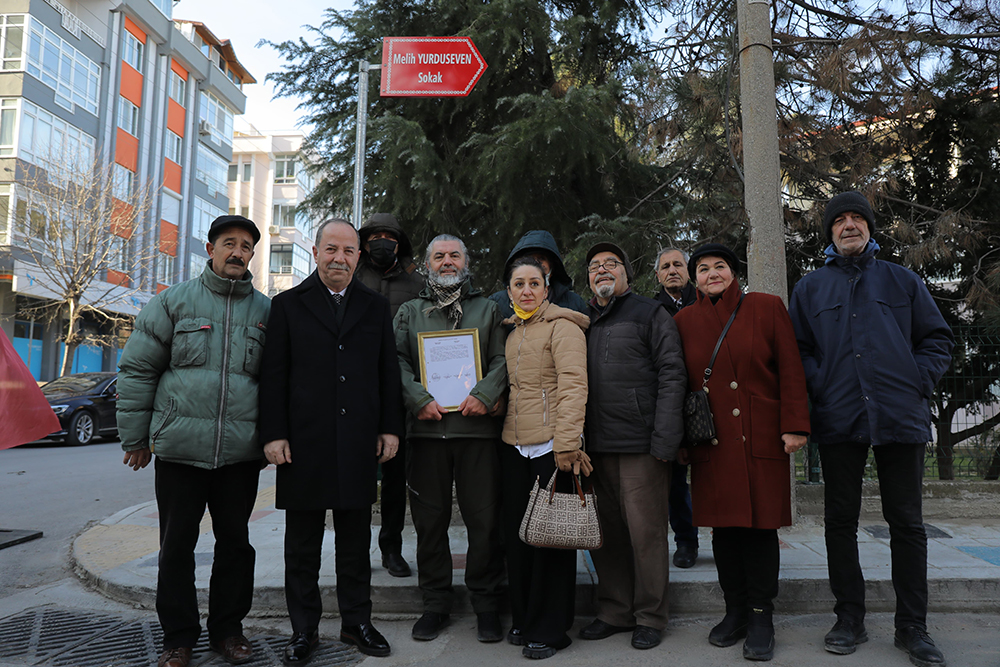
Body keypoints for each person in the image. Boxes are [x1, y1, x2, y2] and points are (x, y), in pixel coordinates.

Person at [789, 191, 954, 667]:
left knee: (907, 524)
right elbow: (798, 350)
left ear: (869, 227)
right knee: (840, 522)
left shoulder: (903, 280)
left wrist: (916, 380)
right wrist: (821, 384)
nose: (849, 225)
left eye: (857, 218)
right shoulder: (810, 289)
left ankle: (912, 627)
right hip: (839, 417)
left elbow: (937, 338)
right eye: (839, 220)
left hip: (899, 416)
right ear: (829, 232)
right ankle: (849, 618)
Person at [117, 215, 270, 667]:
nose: (237, 252)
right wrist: (135, 438)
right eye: (229, 243)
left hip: (240, 454)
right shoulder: (173, 302)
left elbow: (279, 381)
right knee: (176, 548)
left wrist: (273, 439)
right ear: (210, 249)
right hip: (180, 450)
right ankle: (178, 638)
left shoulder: (266, 313)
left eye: (246, 246)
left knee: (235, 547)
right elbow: (138, 369)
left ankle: (229, 631)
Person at [259, 219, 403, 661]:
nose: (339, 258)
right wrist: (274, 434)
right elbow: (273, 376)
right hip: (303, 444)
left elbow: (387, 373)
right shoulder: (287, 305)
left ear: (358, 256)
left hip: (358, 442)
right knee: (302, 546)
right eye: (332, 249)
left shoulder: (375, 307)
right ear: (316, 252)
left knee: (355, 543)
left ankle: (356, 623)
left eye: (348, 251)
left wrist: (390, 427)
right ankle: (304, 630)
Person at [674, 243, 811, 661]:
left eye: (720, 266)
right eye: (703, 268)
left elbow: (791, 367)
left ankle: (761, 617)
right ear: (695, 278)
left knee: (760, 530)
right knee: (724, 531)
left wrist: (794, 424)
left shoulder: (766, 307)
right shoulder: (683, 320)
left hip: (760, 437)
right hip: (711, 441)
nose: (711, 273)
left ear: (734, 273)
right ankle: (734, 611)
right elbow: (678, 384)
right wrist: (680, 441)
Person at [394, 234, 508, 644]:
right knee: (430, 524)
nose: (447, 262)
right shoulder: (410, 312)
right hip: (427, 433)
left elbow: (501, 359)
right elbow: (396, 361)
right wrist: (418, 399)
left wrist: (484, 394)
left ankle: (487, 605)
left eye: (454, 255)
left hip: (477, 435)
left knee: (485, 522)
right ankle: (435, 604)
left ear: (466, 261)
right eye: (439, 256)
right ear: (427, 264)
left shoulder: (487, 309)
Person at [577, 242, 687, 651]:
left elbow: (673, 374)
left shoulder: (650, 313)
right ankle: (614, 611)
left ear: (626, 273)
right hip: (596, 448)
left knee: (646, 535)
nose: (602, 270)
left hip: (642, 445)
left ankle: (650, 616)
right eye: (595, 266)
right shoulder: (582, 319)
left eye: (611, 264)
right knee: (606, 536)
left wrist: (665, 439)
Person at [498, 256, 591, 659]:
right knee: (520, 539)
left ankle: (550, 629)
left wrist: (567, 444)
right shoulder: (513, 332)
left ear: (547, 290)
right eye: (518, 284)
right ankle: (524, 618)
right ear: (509, 292)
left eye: (534, 283)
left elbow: (573, 385)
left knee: (552, 542)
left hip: (553, 449)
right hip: (515, 446)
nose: (526, 290)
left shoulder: (562, 327)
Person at [356, 212, 425, 579]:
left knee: (396, 478)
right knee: (358, 476)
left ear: (400, 243)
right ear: (364, 242)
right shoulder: (352, 275)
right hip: (357, 392)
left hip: (400, 394)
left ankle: (391, 548)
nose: (382, 242)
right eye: (375, 236)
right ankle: (356, 550)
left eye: (389, 236)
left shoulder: (417, 283)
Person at [652, 247, 700, 569]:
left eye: (678, 264)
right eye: (666, 266)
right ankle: (686, 541)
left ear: (688, 270)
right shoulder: (651, 310)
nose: (672, 270)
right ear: (658, 275)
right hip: (670, 404)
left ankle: (728, 539)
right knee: (674, 482)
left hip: (708, 401)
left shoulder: (706, 302)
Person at [488, 230, 588, 326]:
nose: (535, 264)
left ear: (552, 267)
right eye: (529, 258)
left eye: (541, 258)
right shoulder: (498, 303)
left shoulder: (573, 302)